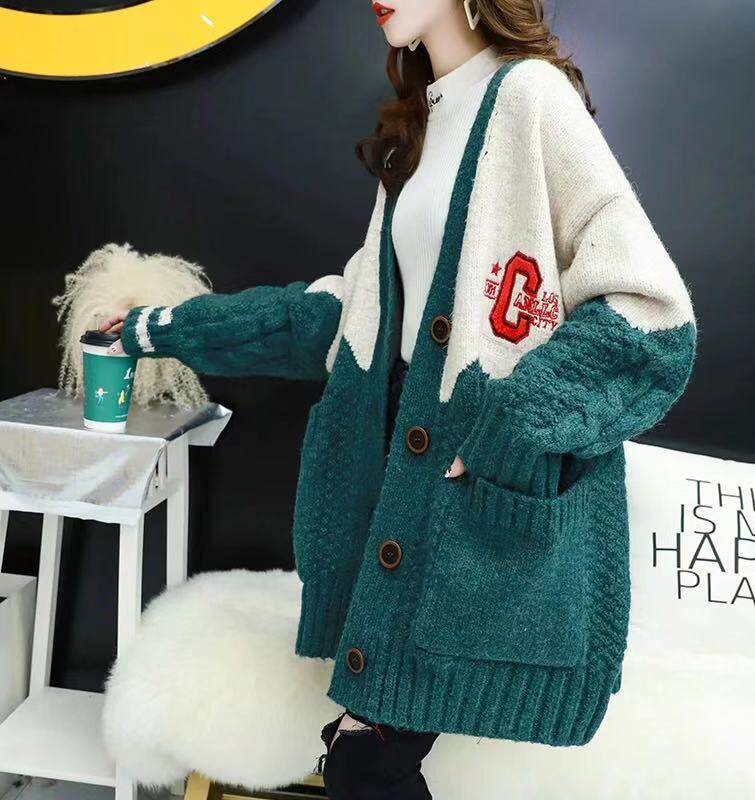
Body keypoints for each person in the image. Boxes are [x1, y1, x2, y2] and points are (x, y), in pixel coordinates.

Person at [100, 1, 697, 797]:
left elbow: (651, 314)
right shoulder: (426, 125)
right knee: (361, 758)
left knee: (364, 761)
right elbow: (342, 317)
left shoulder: (528, 98)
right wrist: (160, 327)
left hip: (471, 529)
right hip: (402, 518)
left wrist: (508, 429)